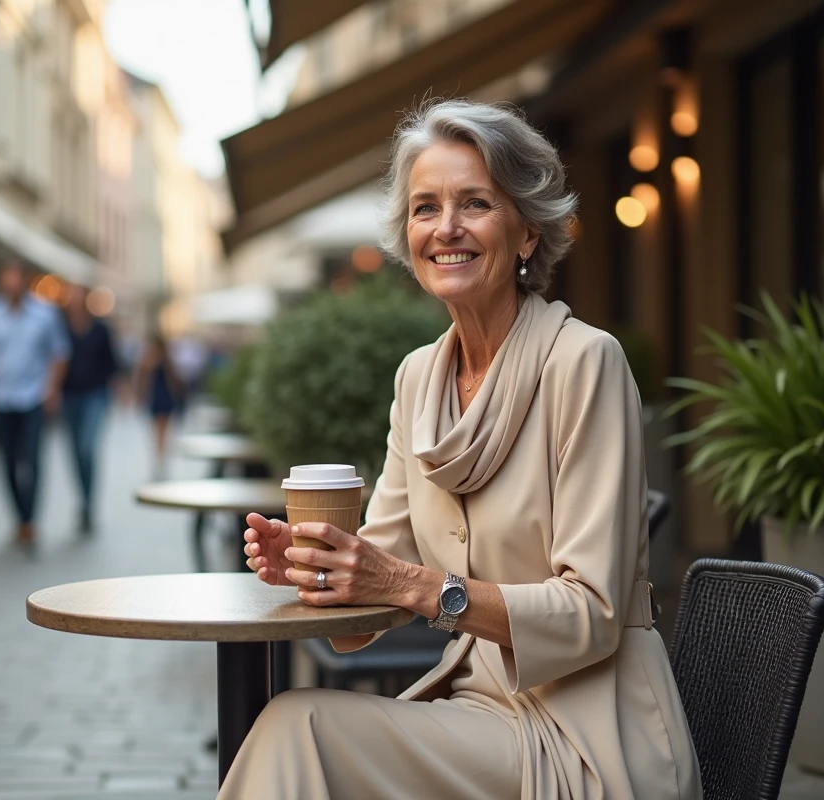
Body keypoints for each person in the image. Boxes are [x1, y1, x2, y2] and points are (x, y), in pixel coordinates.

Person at [230, 100, 703, 799]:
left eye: (474, 203)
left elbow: (593, 614)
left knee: (298, 729)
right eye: (425, 208)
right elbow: (359, 628)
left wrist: (409, 587)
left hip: (592, 734)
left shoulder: (584, 363)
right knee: (295, 729)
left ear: (527, 234)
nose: (445, 228)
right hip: (475, 714)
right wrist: (319, 573)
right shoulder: (419, 378)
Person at [0, 261, 69, 548]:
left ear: (24, 281)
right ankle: (20, 517)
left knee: (33, 460)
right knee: (9, 461)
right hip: (1, 398)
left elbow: (59, 353)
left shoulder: (45, 314)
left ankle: (29, 521)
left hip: (33, 397)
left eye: (15, 278)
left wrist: (51, 389)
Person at [61, 284, 119, 535]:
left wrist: (123, 390)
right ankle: (83, 503)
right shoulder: (60, 328)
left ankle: (89, 503)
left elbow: (112, 363)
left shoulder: (101, 329)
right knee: (75, 453)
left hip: (96, 394)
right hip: (69, 396)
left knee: (87, 448)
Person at [136, 334, 184, 479]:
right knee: (158, 432)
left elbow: (174, 379)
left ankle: (160, 460)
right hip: (157, 397)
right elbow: (142, 379)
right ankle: (159, 460)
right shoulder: (150, 360)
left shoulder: (165, 360)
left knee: (162, 431)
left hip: (163, 397)